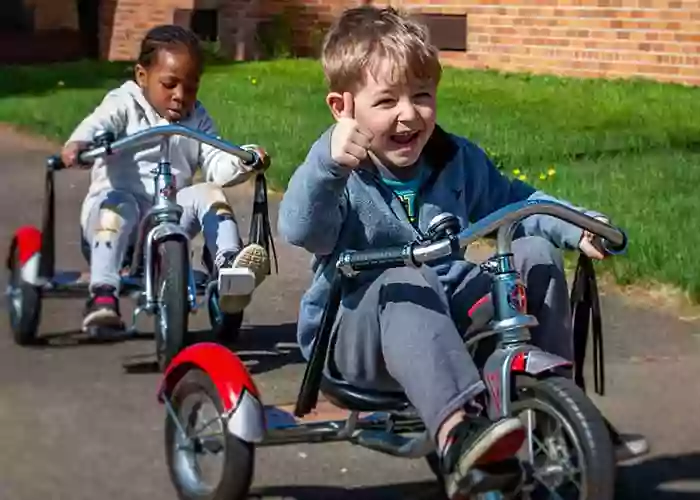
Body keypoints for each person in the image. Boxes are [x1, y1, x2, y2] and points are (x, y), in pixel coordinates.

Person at [278, 6, 646, 498]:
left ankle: (554, 404)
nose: (409, 114)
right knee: (407, 278)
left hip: (444, 321)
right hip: (356, 334)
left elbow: (516, 202)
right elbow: (300, 228)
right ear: (341, 108)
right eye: (386, 100)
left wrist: (575, 226)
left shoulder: (455, 159)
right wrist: (326, 165)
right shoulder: (339, 173)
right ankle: (458, 433)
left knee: (533, 251)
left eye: (422, 96)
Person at [61, 25, 270, 332]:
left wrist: (245, 158)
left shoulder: (196, 117)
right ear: (142, 76)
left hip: (169, 219)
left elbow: (215, 162)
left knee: (209, 192)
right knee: (119, 205)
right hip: (114, 224)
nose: (180, 96)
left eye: (191, 87)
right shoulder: (125, 103)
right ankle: (103, 296)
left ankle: (229, 271)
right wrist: (80, 144)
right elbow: (98, 123)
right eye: (169, 84)